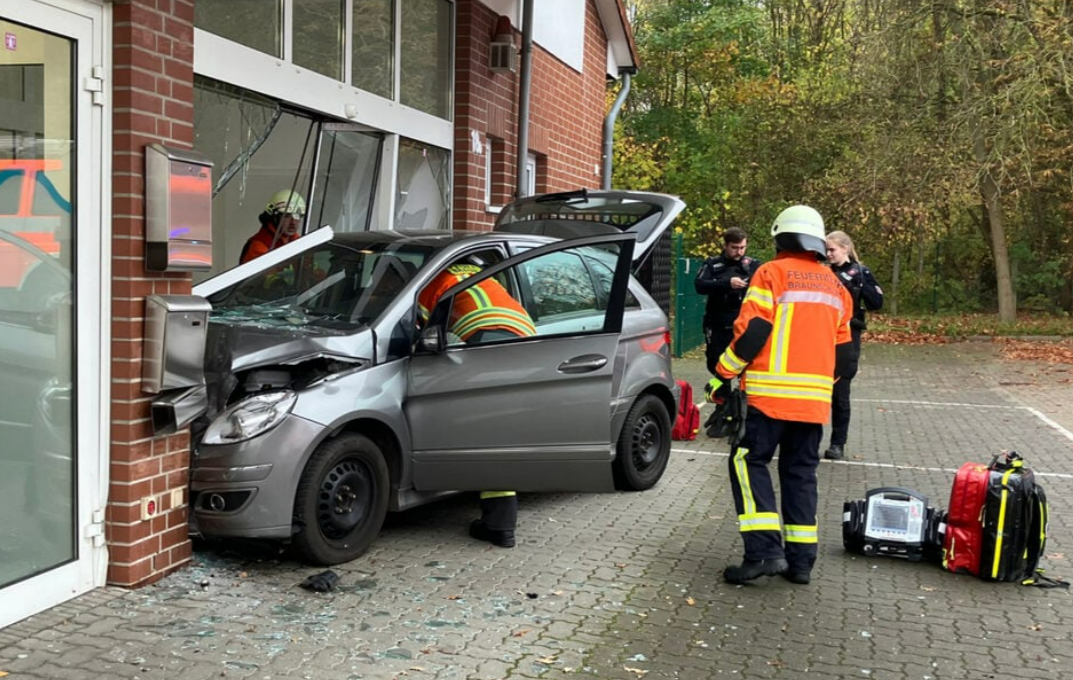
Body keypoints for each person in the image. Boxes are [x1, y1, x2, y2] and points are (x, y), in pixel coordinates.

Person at [712, 205, 854, 586]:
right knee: (801, 475)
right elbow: (845, 356)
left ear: (781, 237)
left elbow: (752, 333)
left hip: (768, 401)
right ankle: (801, 562)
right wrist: (818, 386)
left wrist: (722, 374)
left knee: (747, 462)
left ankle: (763, 553)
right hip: (813, 405)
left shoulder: (770, 273)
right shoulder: (836, 286)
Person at [417, 261, 538, 548]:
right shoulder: (481, 276)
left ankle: (499, 527)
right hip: (531, 341)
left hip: (489, 344)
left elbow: (419, 333)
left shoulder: (427, 285)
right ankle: (500, 523)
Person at [823, 231, 884, 461]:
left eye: (832, 250)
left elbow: (876, 303)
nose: (829, 254)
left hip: (848, 335)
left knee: (840, 392)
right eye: (826, 250)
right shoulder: (822, 272)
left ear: (845, 249)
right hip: (822, 335)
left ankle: (837, 443)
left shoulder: (860, 272)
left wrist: (858, 283)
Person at [694, 227, 762, 376]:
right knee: (715, 362)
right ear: (725, 245)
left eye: (742, 248)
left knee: (746, 361)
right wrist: (726, 283)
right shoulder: (712, 264)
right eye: (734, 248)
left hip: (744, 321)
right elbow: (700, 285)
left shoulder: (753, 265)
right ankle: (722, 389)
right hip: (718, 322)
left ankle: (742, 389)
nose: (739, 252)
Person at [239, 189, 306, 264]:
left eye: (297, 216)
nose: (293, 222)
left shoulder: (296, 240)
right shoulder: (260, 246)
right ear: (274, 217)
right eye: (287, 216)